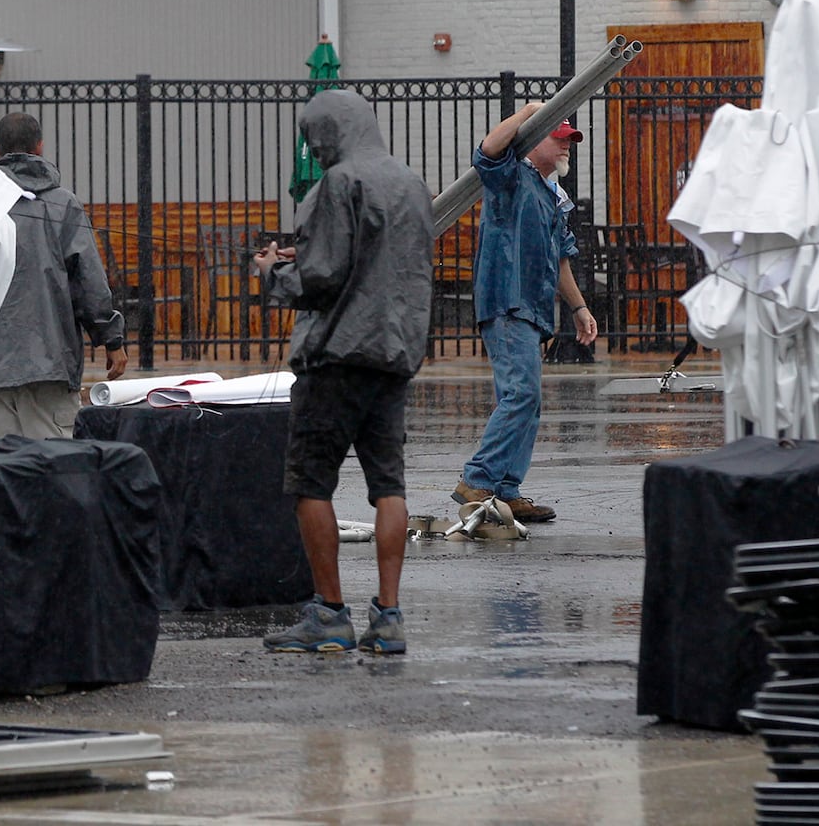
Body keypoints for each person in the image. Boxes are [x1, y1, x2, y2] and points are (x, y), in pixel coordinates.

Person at [253, 89, 433, 655]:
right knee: (389, 485)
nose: (314, 147)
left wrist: (270, 273)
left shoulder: (337, 183)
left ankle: (330, 614)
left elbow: (324, 277)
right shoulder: (411, 183)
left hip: (335, 359)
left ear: (330, 131)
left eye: (314, 137)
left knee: (310, 482)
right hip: (393, 355)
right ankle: (390, 617)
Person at [453, 104, 598, 524]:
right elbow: (487, 151)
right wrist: (527, 114)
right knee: (521, 394)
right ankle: (478, 478)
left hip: (530, 306)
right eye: (560, 138)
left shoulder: (552, 195)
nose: (567, 146)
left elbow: (562, 256)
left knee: (527, 400)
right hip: (507, 298)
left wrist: (579, 306)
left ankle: (506, 488)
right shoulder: (512, 176)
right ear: (536, 141)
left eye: (570, 140)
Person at [0, 112, 127, 438]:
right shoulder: (63, 204)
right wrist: (111, 338)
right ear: (40, 147)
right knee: (54, 471)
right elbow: (87, 279)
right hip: (50, 365)